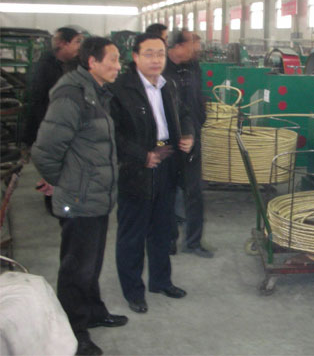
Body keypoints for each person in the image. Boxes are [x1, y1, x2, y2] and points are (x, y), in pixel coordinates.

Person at [31, 37, 127, 356]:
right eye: (113, 60)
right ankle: (73, 332)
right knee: (76, 268)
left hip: (95, 196)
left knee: (92, 262)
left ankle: (93, 311)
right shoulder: (71, 95)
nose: (118, 66)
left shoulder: (95, 93)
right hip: (80, 197)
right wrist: (63, 183)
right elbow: (45, 151)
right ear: (92, 62)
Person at [110, 33, 194, 314]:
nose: (156, 59)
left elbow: (184, 113)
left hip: (167, 163)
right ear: (135, 57)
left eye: (160, 53)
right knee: (132, 233)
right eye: (149, 54)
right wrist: (141, 155)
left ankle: (161, 281)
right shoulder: (120, 89)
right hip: (137, 169)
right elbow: (113, 134)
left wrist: (188, 134)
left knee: (162, 229)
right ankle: (134, 291)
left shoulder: (168, 85)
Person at [23, 27, 83, 215]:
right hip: (50, 126)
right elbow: (40, 101)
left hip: (64, 125)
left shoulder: (70, 64)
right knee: (54, 166)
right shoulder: (46, 67)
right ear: (63, 43)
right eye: (76, 42)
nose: (79, 47)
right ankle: (55, 205)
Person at [165, 29, 211, 257]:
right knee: (168, 191)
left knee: (194, 192)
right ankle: (168, 240)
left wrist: (198, 123)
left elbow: (195, 98)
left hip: (194, 138)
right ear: (178, 46)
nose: (198, 49)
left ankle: (193, 242)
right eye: (194, 44)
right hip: (168, 142)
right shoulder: (162, 70)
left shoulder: (193, 66)